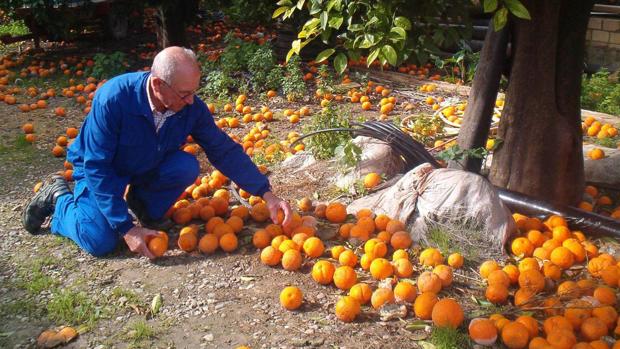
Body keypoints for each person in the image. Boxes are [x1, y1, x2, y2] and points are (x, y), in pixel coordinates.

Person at [22, 46, 292, 259]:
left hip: (146, 163)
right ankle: (59, 201)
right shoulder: (114, 99)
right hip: (106, 169)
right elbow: (97, 166)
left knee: (185, 166)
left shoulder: (189, 106)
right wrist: (125, 228)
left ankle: (143, 207)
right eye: (185, 94)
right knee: (101, 241)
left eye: (194, 93)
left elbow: (222, 149)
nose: (191, 101)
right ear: (158, 85)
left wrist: (266, 193)